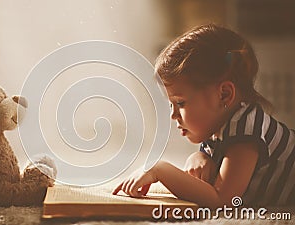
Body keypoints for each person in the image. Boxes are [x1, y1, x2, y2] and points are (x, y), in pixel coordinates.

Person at [112, 24, 295, 207]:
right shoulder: (221, 127)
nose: (173, 115)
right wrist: (199, 157)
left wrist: (160, 169)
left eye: (180, 103)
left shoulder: (246, 130)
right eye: (171, 104)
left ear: (224, 95)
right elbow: (215, 164)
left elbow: (222, 200)